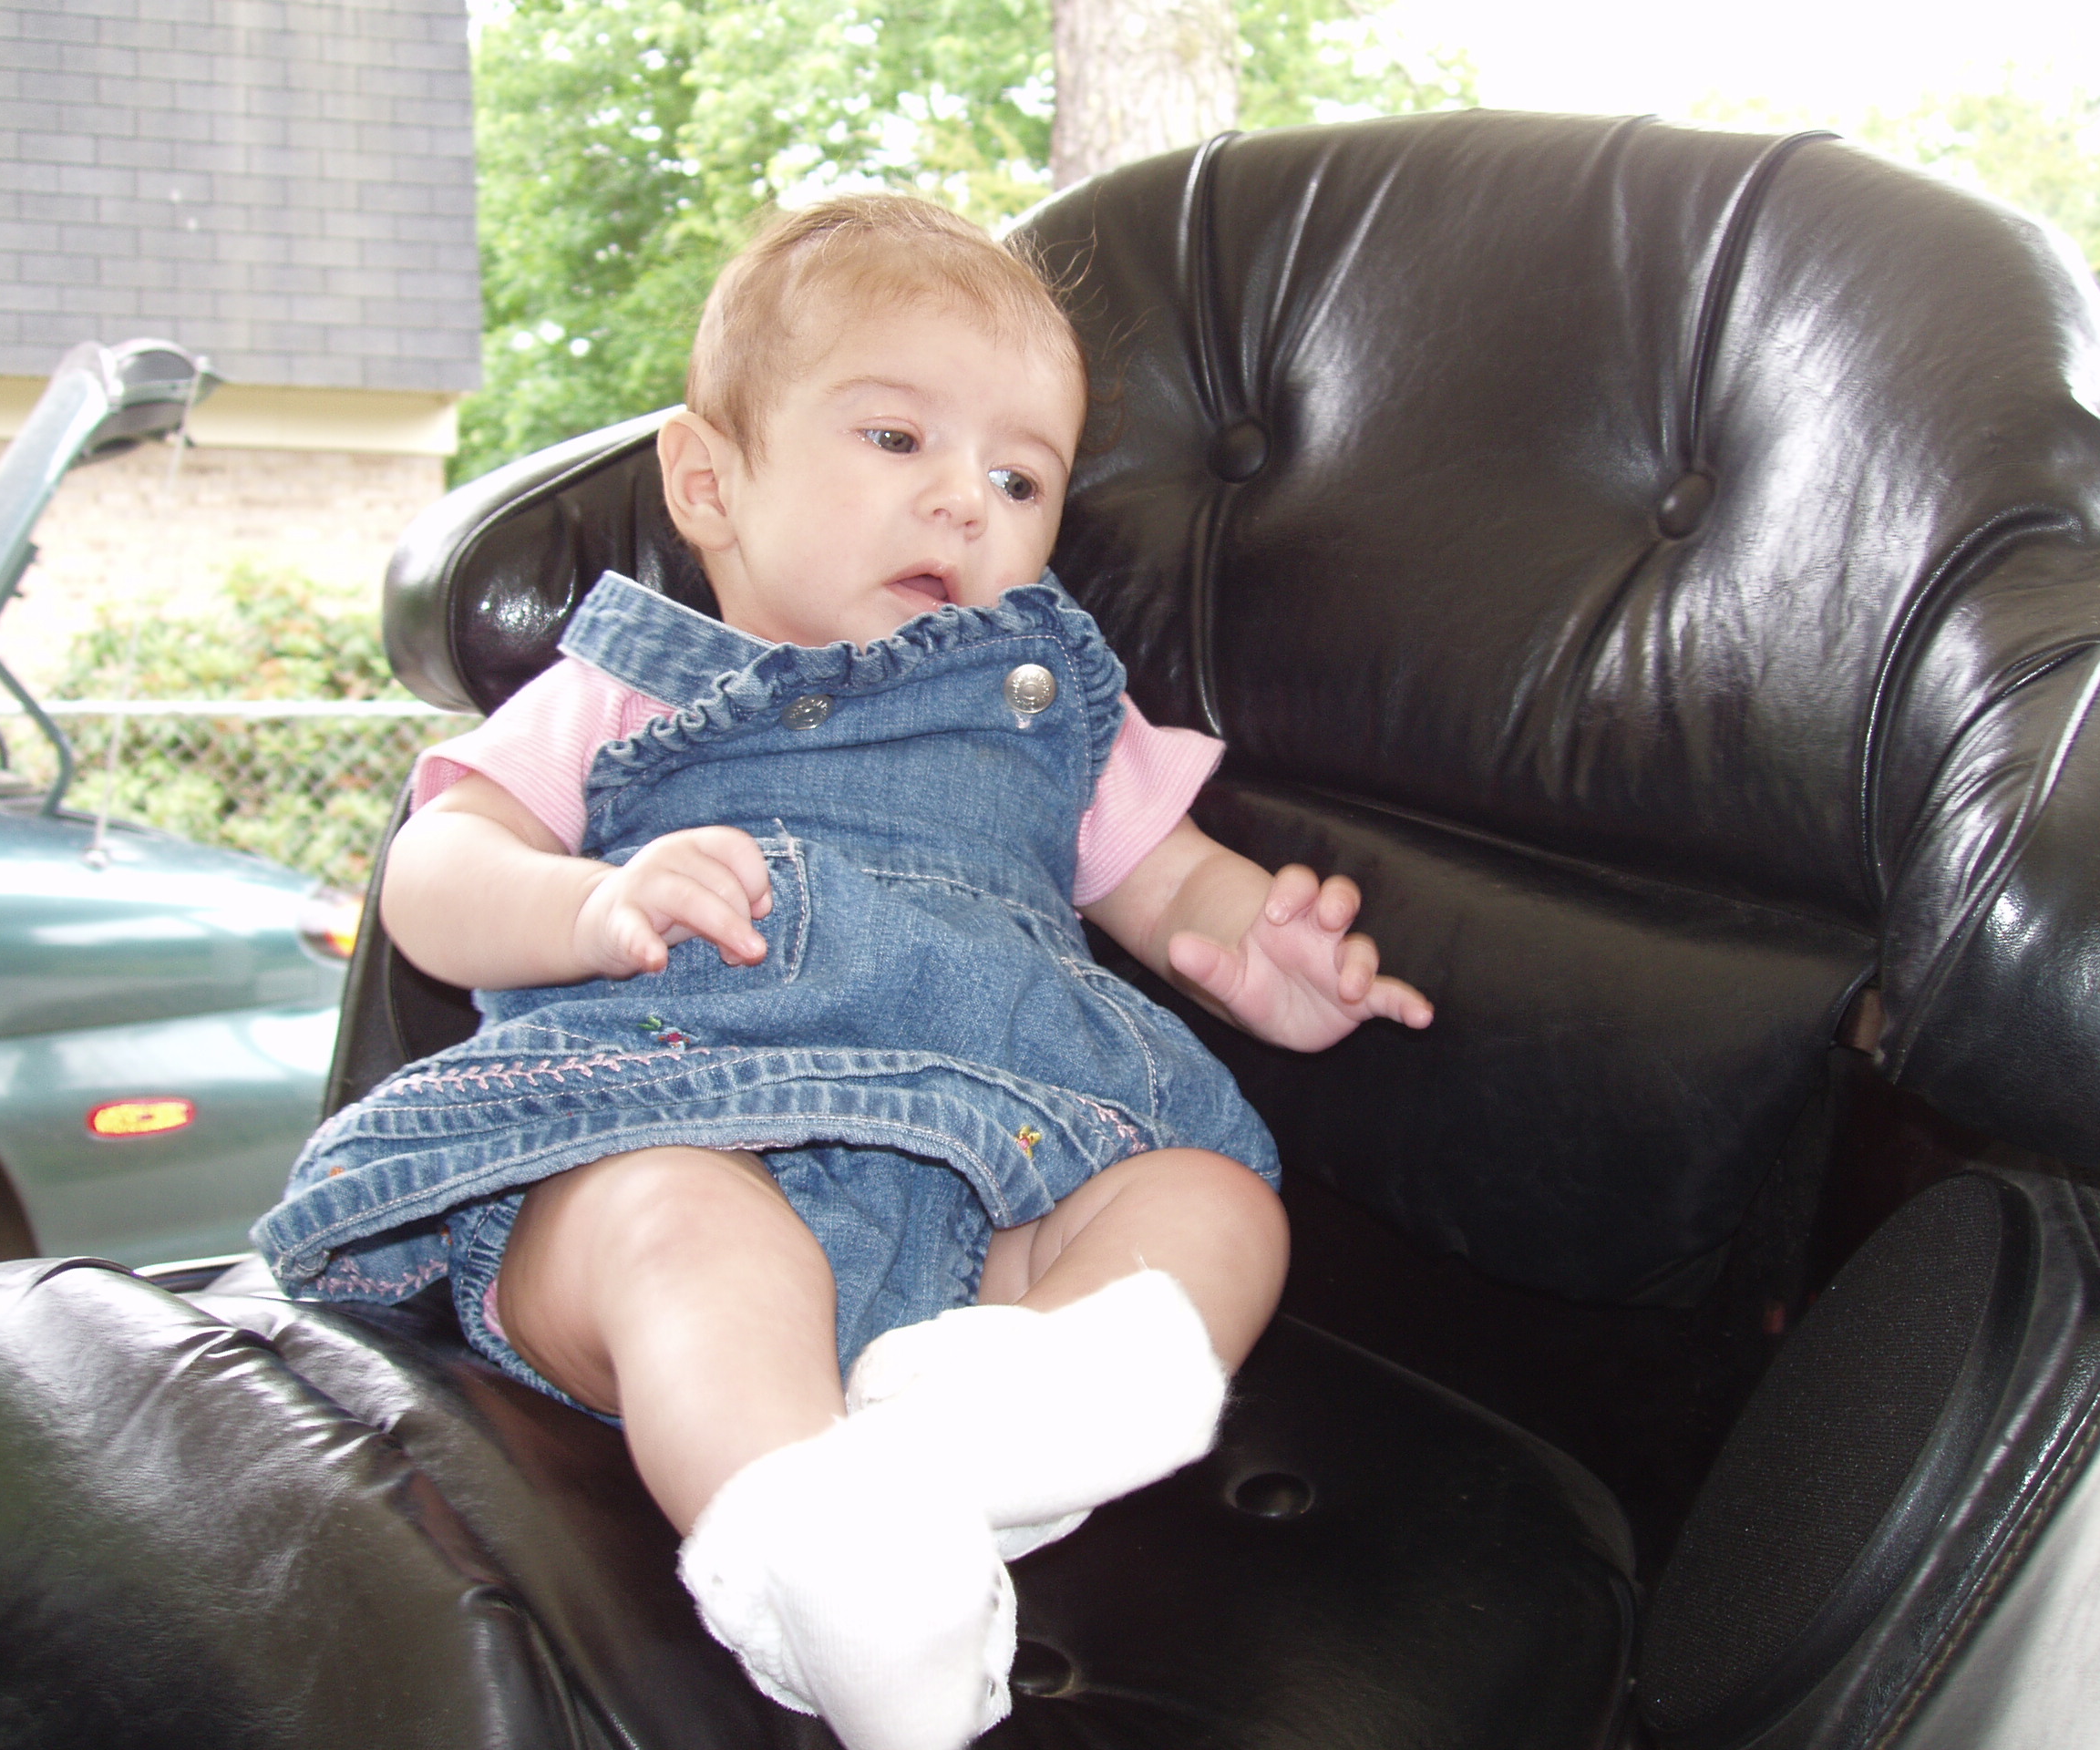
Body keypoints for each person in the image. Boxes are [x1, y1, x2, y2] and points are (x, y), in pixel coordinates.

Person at [253, 193, 1431, 1750]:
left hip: (988, 1201)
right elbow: (436, 878)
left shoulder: (1045, 703)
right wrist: (591, 904)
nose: (963, 503)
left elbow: (1173, 884)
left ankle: (981, 1438)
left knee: (1215, 1205)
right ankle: (812, 1549)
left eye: (1019, 478)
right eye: (896, 439)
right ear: (709, 482)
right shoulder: (624, 688)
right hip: (658, 1133)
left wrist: (1258, 961)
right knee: (683, 1229)